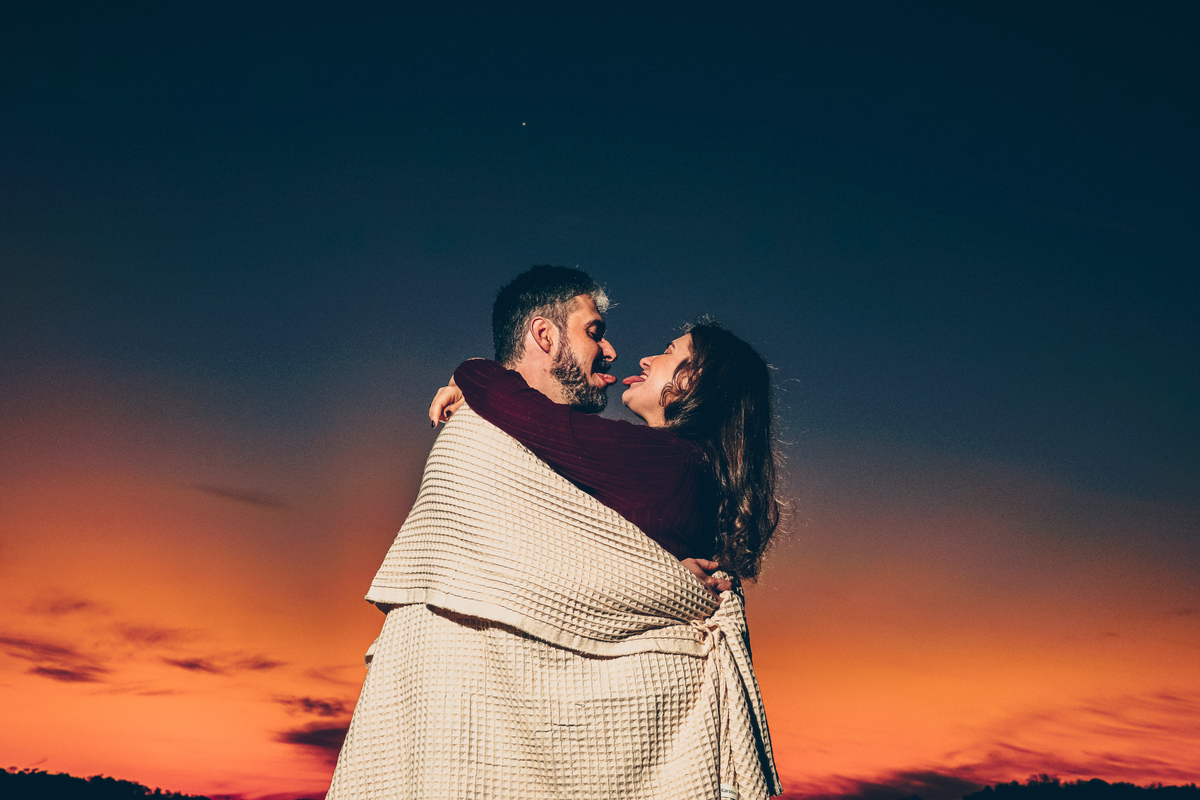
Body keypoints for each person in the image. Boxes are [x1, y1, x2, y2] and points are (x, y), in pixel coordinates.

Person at [326, 266, 782, 800]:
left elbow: (550, 432)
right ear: (544, 336)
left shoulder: (673, 462)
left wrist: (473, 372)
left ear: (693, 383)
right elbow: (599, 550)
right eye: (595, 331)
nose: (625, 354)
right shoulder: (649, 466)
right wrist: (657, 572)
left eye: (668, 352)